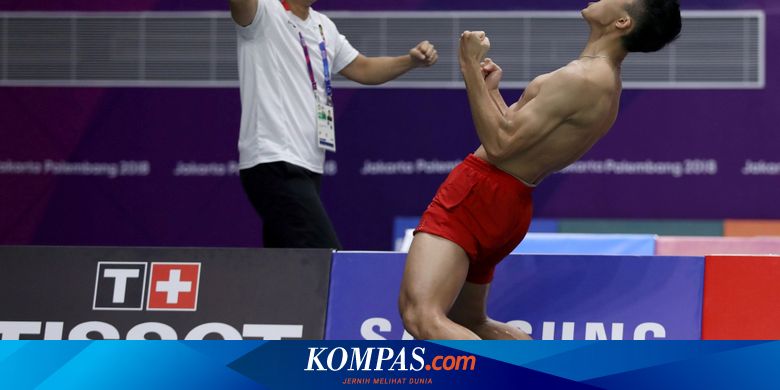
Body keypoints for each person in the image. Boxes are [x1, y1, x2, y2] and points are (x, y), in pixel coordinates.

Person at [399, 0, 681, 340]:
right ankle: (546, 373)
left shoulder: (584, 77)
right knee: (471, 322)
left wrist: (469, 66)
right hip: (509, 201)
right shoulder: (604, 79)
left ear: (622, 22)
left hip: (480, 194)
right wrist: (492, 95)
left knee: (422, 316)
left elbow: (500, 146)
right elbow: (519, 140)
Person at [229, 0, 438, 249]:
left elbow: (364, 68)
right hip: (273, 160)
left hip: (308, 165)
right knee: (325, 257)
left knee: (287, 266)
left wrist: (410, 61)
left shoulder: (322, 26)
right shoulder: (262, 11)